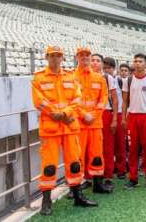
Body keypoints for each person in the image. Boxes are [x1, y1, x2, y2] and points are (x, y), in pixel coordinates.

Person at [33, 46, 97, 216]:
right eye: (52, 56)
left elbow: (77, 99)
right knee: (49, 167)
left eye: (58, 56)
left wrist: (65, 114)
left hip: (69, 128)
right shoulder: (38, 78)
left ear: (62, 58)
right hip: (51, 129)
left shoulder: (70, 76)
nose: (55, 59)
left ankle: (77, 196)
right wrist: (61, 115)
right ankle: (46, 201)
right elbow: (39, 102)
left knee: (75, 163)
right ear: (47, 57)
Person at [122, 53, 146, 189]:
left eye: (140, 61)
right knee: (132, 149)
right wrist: (123, 119)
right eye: (135, 61)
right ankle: (133, 178)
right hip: (132, 117)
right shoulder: (128, 80)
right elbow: (124, 102)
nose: (137, 63)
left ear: (145, 64)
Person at [74, 49, 112, 193]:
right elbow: (70, 100)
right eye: (81, 55)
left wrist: (93, 115)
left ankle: (98, 184)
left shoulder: (99, 78)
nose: (85, 58)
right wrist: (84, 115)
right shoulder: (71, 77)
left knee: (97, 155)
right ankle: (75, 188)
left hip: (95, 124)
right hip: (78, 124)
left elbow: (103, 99)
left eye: (87, 56)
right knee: (77, 157)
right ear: (77, 57)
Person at [102, 57, 127, 187]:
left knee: (120, 143)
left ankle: (121, 169)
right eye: (105, 68)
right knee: (108, 145)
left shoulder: (120, 81)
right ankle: (109, 171)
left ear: (114, 68)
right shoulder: (103, 79)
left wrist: (123, 116)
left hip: (119, 113)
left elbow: (124, 98)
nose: (107, 70)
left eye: (109, 68)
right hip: (108, 113)